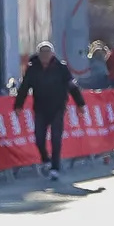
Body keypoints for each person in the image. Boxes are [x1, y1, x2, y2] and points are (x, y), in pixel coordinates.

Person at [12, 40, 85, 181]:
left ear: (52, 54)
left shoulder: (61, 68)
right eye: (42, 53)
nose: (44, 56)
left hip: (57, 108)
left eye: (47, 53)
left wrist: (80, 104)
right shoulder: (32, 69)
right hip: (40, 108)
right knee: (39, 138)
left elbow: (72, 86)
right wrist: (18, 105)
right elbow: (24, 88)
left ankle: (55, 168)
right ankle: (46, 160)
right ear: (38, 55)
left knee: (56, 138)